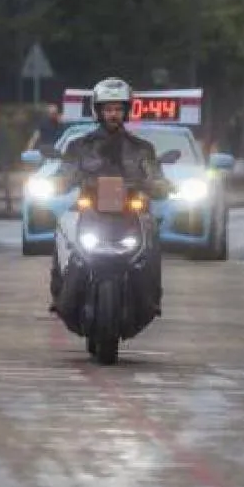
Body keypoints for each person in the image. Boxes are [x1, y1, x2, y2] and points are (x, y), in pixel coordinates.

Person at [50, 77, 169, 315]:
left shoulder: (142, 148)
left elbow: (155, 175)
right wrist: (58, 181)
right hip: (89, 209)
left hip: (131, 211)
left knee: (153, 232)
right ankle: (59, 293)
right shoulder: (78, 146)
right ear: (98, 111)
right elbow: (65, 172)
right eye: (108, 109)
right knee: (63, 228)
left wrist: (160, 184)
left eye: (117, 109)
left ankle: (152, 297)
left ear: (126, 111)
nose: (113, 114)